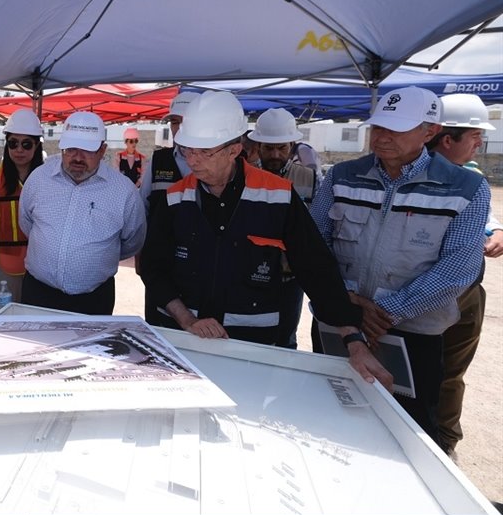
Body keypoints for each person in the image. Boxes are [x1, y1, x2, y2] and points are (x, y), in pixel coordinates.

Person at [140, 91, 390, 392]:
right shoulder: (174, 198)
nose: (192, 160)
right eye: (187, 149)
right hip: (184, 342)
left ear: (234, 149)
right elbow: (153, 268)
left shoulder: (279, 196)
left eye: (204, 152)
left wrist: (353, 340)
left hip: (252, 348)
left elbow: (316, 269)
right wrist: (187, 320)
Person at [310, 86, 489, 442]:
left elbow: (457, 269)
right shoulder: (341, 176)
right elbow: (314, 247)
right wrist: (347, 302)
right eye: (378, 126)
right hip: (338, 324)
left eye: (397, 127)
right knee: (330, 417)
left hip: (414, 334)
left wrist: (383, 312)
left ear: (430, 131)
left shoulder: (467, 187)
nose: (382, 136)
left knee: (407, 430)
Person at [425, 92, 502, 454]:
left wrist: (497, 230)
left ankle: (443, 442)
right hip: (421, 293)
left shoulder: (472, 178)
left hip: (467, 293)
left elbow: (487, 218)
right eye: (474, 138)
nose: (480, 144)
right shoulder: (407, 176)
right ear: (446, 139)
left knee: (451, 373)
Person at [19, 111, 146, 315]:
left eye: (87, 150)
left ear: (103, 149)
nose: (77, 157)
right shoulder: (39, 179)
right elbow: (27, 223)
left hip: (94, 300)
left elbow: (132, 241)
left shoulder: (124, 191)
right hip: (38, 294)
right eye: (70, 149)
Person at [247, 107, 320, 349]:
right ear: (258, 147)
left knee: (286, 339)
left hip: (290, 278)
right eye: (269, 148)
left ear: (292, 146)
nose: (276, 154)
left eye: (282, 148)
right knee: (251, 337)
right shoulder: (243, 177)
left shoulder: (309, 179)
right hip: (248, 274)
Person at [0, 109, 45, 312]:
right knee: (2, 317)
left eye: (26, 143)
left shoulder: (48, 181)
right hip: (2, 263)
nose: (19, 149)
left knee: (36, 319)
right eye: (13, 143)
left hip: (39, 264)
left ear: (36, 145)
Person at [139, 88, 199, 217]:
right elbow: (142, 204)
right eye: (175, 122)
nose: (180, 128)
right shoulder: (159, 159)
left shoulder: (215, 160)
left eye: (186, 121)